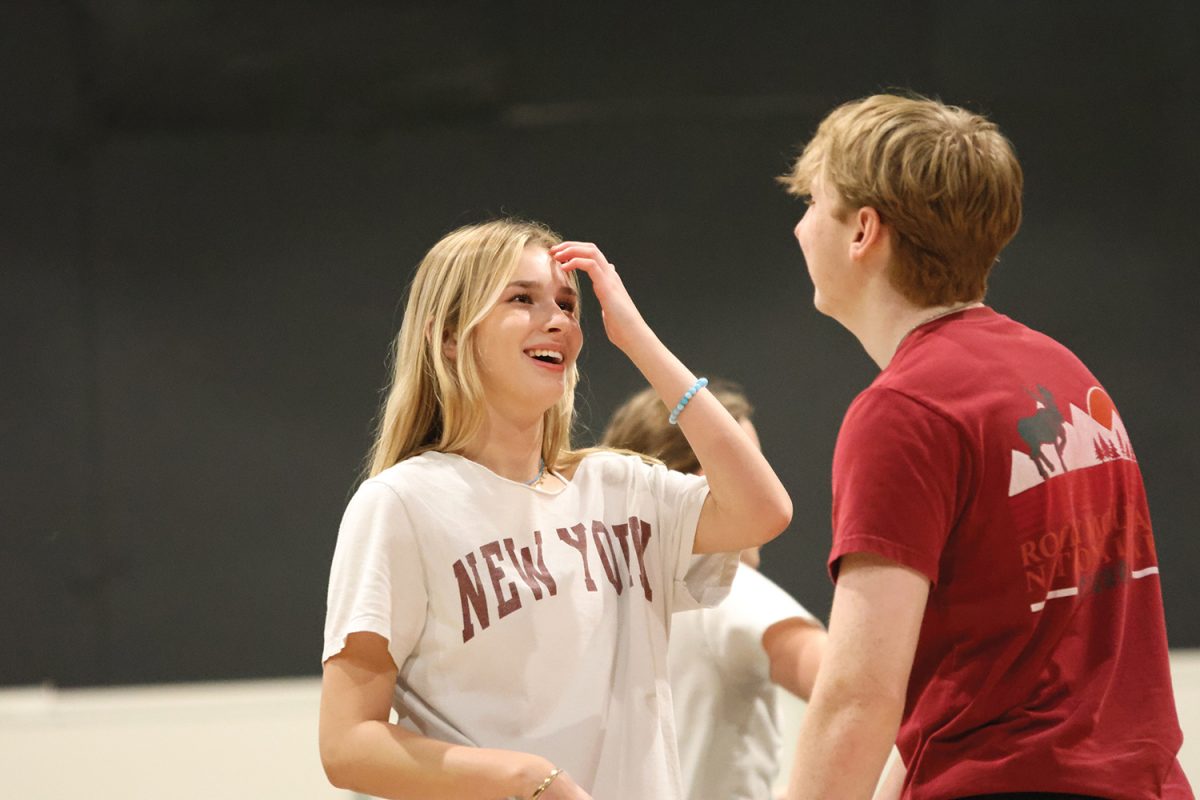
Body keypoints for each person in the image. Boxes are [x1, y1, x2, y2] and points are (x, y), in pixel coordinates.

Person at [777, 93, 1192, 800]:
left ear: (863, 231)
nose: (798, 227)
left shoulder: (903, 413)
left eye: (814, 202)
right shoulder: (1065, 373)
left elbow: (858, 698)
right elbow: (970, 669)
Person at [318, 219, 792, 800]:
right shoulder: (401, 503)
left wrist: (637, 338)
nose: (558, 320)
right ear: (448, 336)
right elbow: (347, 745)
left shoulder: (619, 485)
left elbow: (763, 511)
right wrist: (525, 779)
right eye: (522, 298)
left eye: (568, 305)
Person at [601, 380, 826, 800]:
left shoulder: (599, 595)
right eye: (755, 467)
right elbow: (851, 694)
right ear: (715, 481)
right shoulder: (728, 592)